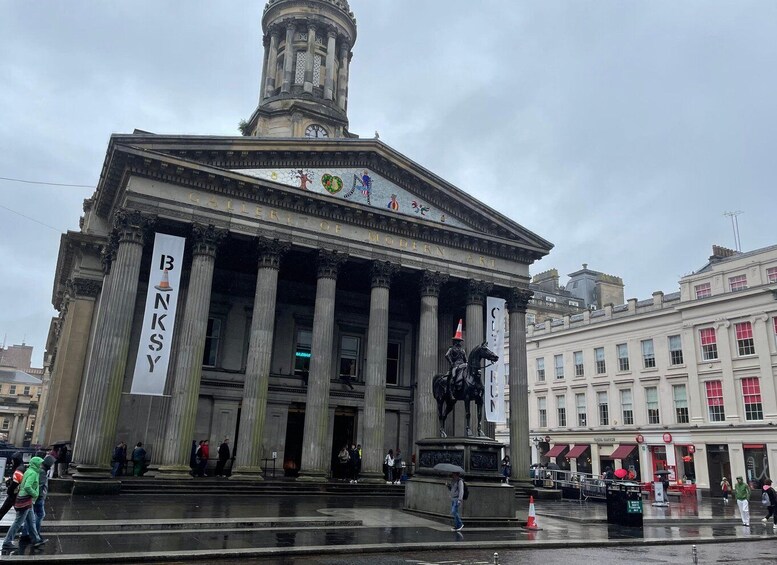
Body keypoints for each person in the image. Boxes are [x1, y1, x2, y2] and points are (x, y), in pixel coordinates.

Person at [2, 456, 47, 551]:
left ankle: (36, 540)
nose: (41, 466)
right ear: (36, 464)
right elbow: (27, 486)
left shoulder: (28, 471)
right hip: (25, 500)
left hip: (24, 499)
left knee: (31, 521)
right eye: (40, 464)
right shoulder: (33, 473)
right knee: (18, 522)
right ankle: (7, 542)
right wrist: (35, 494)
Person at [21, 455, 55, 543]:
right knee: (40, 515)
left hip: (34, 497)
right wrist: (39, 496)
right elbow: (40, 486)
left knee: (29, 517)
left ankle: (25, 534)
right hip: (38, 498)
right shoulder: (42, 472)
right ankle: (35, 534)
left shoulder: (38, 471)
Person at [445, 320, 467, 402]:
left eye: (459, 340)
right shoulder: (451, 348)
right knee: (453, 376)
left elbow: (466, 358)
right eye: (457, 340)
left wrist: (467, 363)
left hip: (463, 365)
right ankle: (450, 392)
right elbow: (446, 355)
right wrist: (451, 363)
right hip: (455, 365)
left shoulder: (462, 350)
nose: (458, 342)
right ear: (455, 341)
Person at [0, 452, 25, 520]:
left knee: (3, 510)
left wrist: (9, 490)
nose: (12, 461)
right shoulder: (22, 467)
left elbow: (15, 483)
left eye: (13, 460)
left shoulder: (19, 469)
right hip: (17, 493)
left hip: (14, 494)